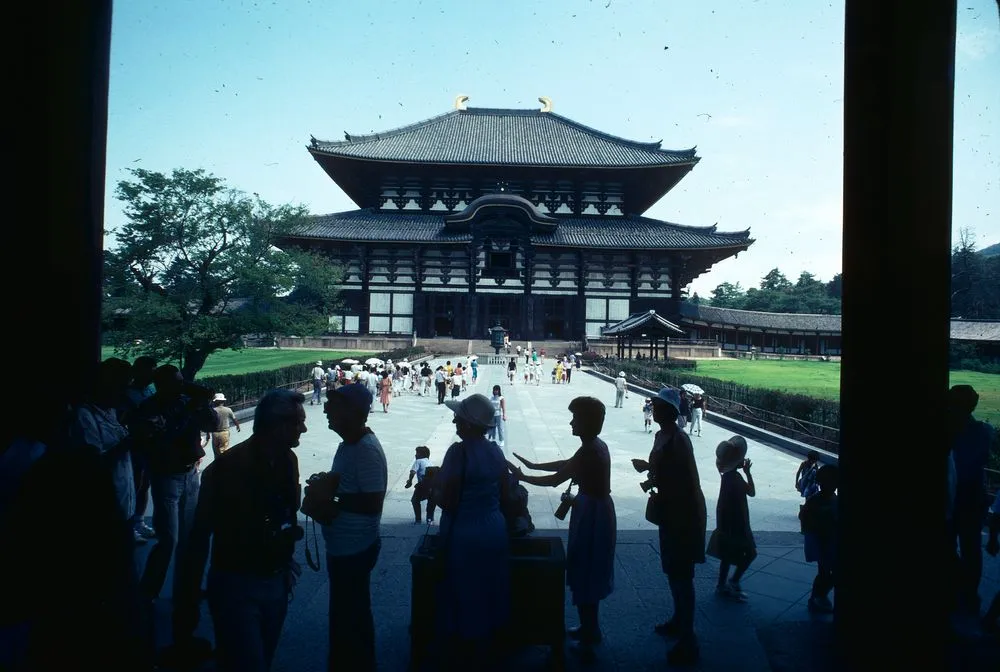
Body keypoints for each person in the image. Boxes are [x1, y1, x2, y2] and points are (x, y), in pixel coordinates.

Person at [174, 390, 306, 672]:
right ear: (277, 425)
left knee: (262, 658)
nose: (304, 428)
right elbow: (199, 537)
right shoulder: (226, 468)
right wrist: (187, 602)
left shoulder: (287, 460)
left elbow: (286, 511)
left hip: (276, 577)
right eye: (298, 422)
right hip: (238, 581)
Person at [510, 396, 615, 664]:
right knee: (587, 567)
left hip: (593, 515)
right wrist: (533, 466)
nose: (571, 422)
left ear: (587, 422)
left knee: (586, 568)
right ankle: (589, 627)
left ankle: (590, 638)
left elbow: (558, 478)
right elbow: (566, 465)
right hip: (594, 510)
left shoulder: (591, 449)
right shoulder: (593, 446)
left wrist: (523, 477)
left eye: (576, 418)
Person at [434, 394, 511, 670]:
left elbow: (450, 500)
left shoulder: (458, 452)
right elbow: (505, 493)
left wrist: (431, 491)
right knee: (491, 587)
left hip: (466, 531)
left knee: (466, 592)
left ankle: (470, 653)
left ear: (468, 424)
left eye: (460, 418)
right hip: (494, 526)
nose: (455, 420)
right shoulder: (495, 451)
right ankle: (490, 648)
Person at [631, 388, 706, 667]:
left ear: (671, 412)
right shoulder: (662, 435)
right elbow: (665, 470)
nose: (656, 408)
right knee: (673, 570)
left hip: (683, 512)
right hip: (670, 509)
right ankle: (679, 620)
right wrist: (650, 471)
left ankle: (689, 638)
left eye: (660, 406)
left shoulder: (679, 439)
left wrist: (655, 476)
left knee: (683, 574)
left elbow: (686, 480)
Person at [322, 383, 387, 672]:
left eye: (334, 406)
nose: (325, 409)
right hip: (343, 545)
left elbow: (373, 503)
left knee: (351, 614)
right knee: (346, 612)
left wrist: (329, 497)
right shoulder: (349, 443)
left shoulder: (365, 450)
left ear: (352, 412)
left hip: (355, 546)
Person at [947, 384, 995, 615]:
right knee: (971, 548)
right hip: (973, 496)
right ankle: (967, 592)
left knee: (951, 544)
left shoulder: (951, 431)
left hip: (955, 495)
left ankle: (959, 586)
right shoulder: (984, 431)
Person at [708, 436, 757, 602]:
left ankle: (721, 585)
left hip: (726, 525)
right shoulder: (736, 478)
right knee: (750, 553)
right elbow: (751, 492)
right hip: (738, 524)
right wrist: (748, 473)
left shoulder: (727, 477)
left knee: (726, 557)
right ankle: (734, 581)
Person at [799, 464, 839, 614]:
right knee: (826, 572)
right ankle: (818, 596)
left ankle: (817, 597)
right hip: (823, 543)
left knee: (824, 572)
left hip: (825, 542)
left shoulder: (819, 500)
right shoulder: (823, 501)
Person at [405, 445, 437, 525]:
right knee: (431, 503)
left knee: (415, 500)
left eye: (417, 453)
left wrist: (410, 481)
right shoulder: (429, 462)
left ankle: (418, 520)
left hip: (423, 485)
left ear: (422, 454)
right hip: (433, 486)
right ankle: (430, 520)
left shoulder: (418, 461)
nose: (415, 455)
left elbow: (412, 472)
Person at [209, 393, 241, 460]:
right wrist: (238, 426)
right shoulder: (228, 410)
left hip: (214, 433)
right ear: (223, 401)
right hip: (224, 433)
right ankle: (224, 466)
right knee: (224, 451)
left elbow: (208, 423)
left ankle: (217, 465)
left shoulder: (212, 411)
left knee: (216, 451)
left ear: (215, 401)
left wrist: (207, 434)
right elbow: (234, 419)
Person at [486, 385, 507, 449]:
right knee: (492, 427)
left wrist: (504, 415)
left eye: (497, 390)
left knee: (499, 428)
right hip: (492, 414)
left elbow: (503, 407)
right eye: (495, 390)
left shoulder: (501, 398)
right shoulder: (491, 397)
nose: (495, 391)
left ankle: (501, 440)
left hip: (498, 414)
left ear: (499, 390)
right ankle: (492, 438)